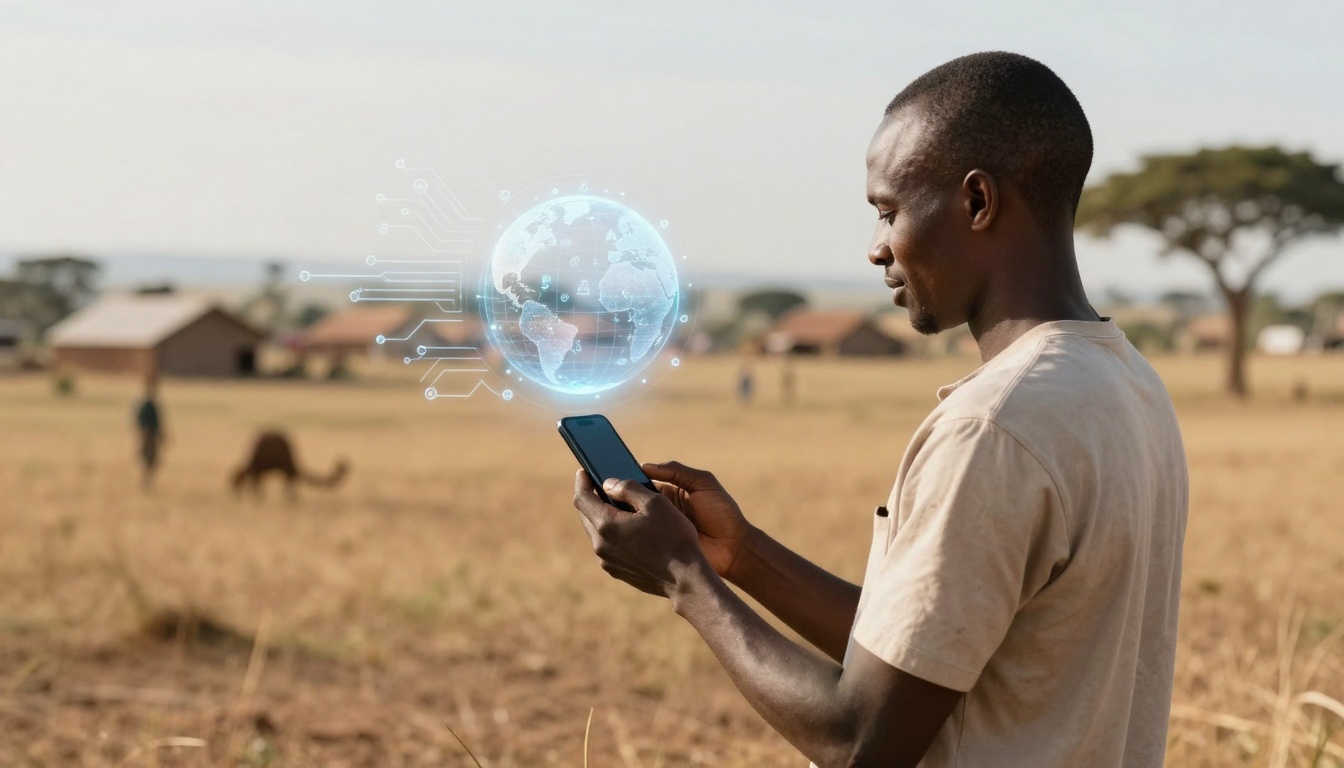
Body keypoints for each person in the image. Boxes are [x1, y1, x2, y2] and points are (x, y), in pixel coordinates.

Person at [572, 51, 1187, 767]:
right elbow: (932, 653)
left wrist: (684, 578)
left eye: (889, 211)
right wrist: (743, 558)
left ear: (978, 202)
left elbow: (859, 737)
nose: (874, 249)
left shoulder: (994, 426)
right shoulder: (1126, 383)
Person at [134, 374, 165, 490]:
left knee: (152, 462)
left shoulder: (153, 405)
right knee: (148, 460)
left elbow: (159, 422)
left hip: (152, 437)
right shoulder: (146, 405)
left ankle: (147, 482)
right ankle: (146, 482)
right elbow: (141, 422)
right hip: (148, 437)